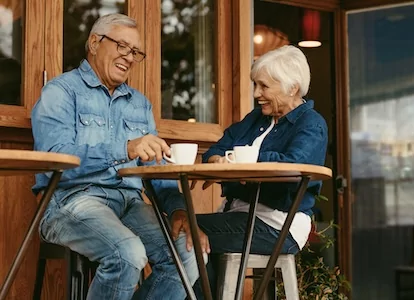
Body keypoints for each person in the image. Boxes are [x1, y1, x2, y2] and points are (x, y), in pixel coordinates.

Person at [31, 13, 209, 300]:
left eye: (136, 52)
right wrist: (124, 148)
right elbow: (55, 160)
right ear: (93, 43)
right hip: (70, 200)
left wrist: (178, 211)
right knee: (128, 254)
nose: (129, 56)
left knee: (190, 254)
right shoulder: (61, 92)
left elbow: (158, 175)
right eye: (122, 46)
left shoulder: (140, 104)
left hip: (129, 204)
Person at [194, 45, 328, 296]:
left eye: (264, 86)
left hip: (277, 226)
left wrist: (244, 161)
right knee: (184, 231)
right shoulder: (255, 119)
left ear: (292, 87)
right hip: (238, 216)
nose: (257, 93)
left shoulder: (311, 124)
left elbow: (293, 165)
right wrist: (216, 161)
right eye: (255, 85)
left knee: (184, 232)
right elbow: (218, 147)